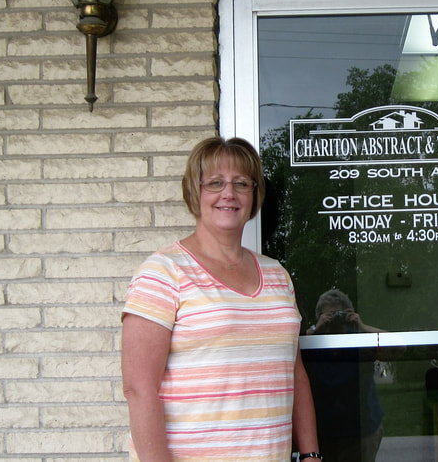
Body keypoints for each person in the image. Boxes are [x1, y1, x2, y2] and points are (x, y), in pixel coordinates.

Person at [121, 136, 321, 462]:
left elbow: (294, 371)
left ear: (254, 194)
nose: (229, 193)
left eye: (241, 183)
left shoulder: (277, 276)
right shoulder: (163, 272)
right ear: (195, 191)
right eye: (215, 182)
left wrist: (311, 453)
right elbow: (138, 390)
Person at [303, 289, 393, 462]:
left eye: (339, 314)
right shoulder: (314, 342)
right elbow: (293, 350)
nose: (335, 319)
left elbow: (399, 346)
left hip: (362, 430)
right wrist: (316, 329)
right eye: (330, 314)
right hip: (324, 432)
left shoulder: (359, 340)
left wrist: (363, 327)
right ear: (320, 317)